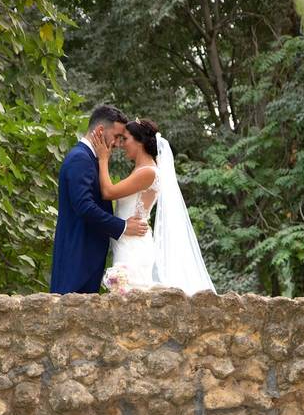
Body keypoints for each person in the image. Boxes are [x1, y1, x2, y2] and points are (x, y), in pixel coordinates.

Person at [90, 118, 216, 294]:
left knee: (132, 296)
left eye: (125, 139)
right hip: (127, 239)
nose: (121, 144)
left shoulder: (148, 172)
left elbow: (109, 192)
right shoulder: (140, 170)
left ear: (139, 141)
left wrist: (103, 159)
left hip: (134, 246)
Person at [50, 105, 149, 294]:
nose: (119, 144)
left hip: (86, 260)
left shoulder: (91, 159)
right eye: (117, 136)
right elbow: (84, 207)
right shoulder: (80, 159)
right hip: (77, 261)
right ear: (101, 130)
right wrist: (123, 226)